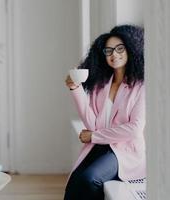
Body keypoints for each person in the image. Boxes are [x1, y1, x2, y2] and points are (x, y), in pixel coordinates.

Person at [64, 24, 145, 200]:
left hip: (125, 150)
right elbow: (91, 124)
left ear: (131, 49)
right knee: (74, 182)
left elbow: (134, 129)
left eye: (119, 48)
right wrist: (75, 89)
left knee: (89, 179)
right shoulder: (100, 85)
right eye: (108, 51)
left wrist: (94, 136)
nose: (114, 54)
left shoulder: (140, 86)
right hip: (100, 146)